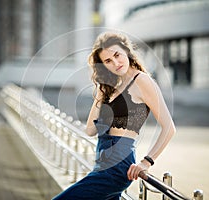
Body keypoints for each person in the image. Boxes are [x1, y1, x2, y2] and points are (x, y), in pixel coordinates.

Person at [52, 32, 176, 200]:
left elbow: (169, 127)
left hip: (117, 165)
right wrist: (101, 93)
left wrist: (146, 162)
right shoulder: (113, 87)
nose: (116, 63)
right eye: (108, 61)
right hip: (101, 161)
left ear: (127, 51)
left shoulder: (142, 80)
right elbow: (90, 130)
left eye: (117, 55)